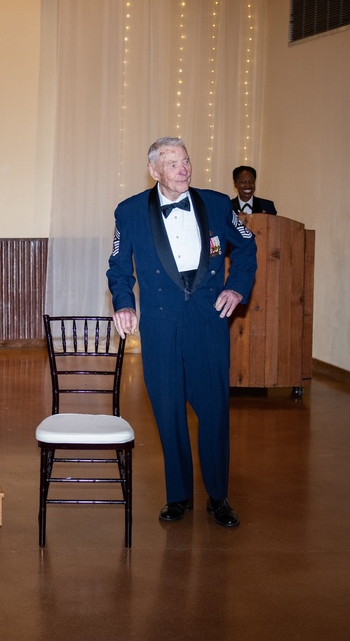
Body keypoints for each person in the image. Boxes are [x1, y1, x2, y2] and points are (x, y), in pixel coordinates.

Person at [107, 137, 257, 527]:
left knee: (214, 410)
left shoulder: (218, 203)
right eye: (172, 164)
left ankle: (219, 496)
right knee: (168, 409)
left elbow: (246, 247)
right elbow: (119, 267)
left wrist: (237, 285)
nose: (183, 169)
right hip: (160, 323)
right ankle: (179, 496)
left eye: (186, 161)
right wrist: (123, 302)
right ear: (154, 171)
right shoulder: (130, 212)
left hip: (208, 322)